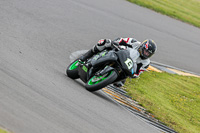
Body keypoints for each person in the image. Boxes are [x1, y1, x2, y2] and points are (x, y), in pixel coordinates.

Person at [80, 37, 157, 87]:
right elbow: (120, 40)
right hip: (118, 52)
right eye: (146, 51)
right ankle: (85, 57)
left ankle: (104, 79)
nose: (146, 54)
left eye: (149, 54)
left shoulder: (146, 63)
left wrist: (134, 75)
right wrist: (115, 43)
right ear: (142, 46)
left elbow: (138, 72)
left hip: (125, 67)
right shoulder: (134, 42)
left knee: (119, 84)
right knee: (104, 42)